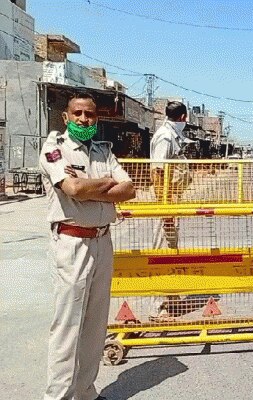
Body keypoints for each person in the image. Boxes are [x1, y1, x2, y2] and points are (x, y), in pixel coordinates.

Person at [39, 92, 136, 400]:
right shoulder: (55, 149)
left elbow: (129, 189)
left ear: (97, 118)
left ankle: (85, 392)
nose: (84, 119)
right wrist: (105, 182)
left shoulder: (103, 151)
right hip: (72, 243)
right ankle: (58, 396)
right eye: (78, 113)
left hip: (102, 241)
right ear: (66, 117)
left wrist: (87, 186)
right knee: (68, 325)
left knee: (95, 324)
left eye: (90, 114)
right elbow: (73, 188)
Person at [149, 101, 194, 321]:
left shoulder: (173, 136)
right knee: (162, 253)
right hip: (166, 203)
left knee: (171, 251)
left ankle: (172, 299)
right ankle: (158, 307)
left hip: (173, 201)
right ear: (184, 117)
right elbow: (157, 172)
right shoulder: (165, 137)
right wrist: (164, 207)